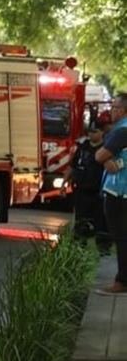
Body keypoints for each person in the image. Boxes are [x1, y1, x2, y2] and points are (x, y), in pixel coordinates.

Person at [95, 93, 127, 295]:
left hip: (118, 191)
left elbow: (99, 154)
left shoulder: (121, 130)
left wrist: (105, 158)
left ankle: (121, 282)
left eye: (115, 107)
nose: (111, 110)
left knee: (121, 237)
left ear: (123, 110)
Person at [68, 124, 108, 250]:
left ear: (102, 132)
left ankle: (103, 249)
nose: (91, 134)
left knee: (101, 224)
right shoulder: (82, 147)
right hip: (82, 191)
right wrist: (64, 183)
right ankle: (79, 248)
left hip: (99, 193)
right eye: (89, 131)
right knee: (81, 221)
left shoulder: (106, 149)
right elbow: (73, 166)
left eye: (94, 131)